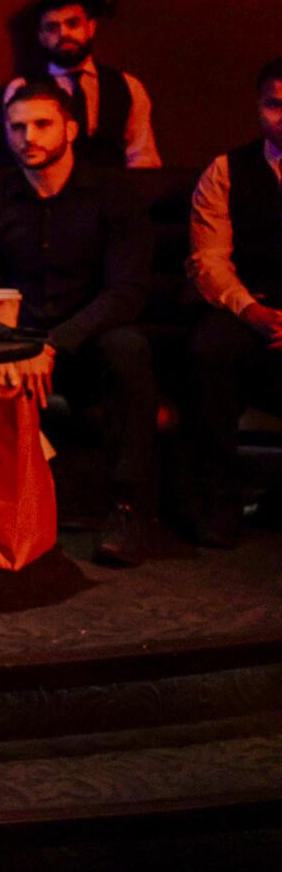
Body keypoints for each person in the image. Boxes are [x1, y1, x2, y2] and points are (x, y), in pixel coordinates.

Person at [0, 78, 157, 566]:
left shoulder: (113, 193)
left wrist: (53, 344)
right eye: (17, 127)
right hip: (18, 340)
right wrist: (8, 347)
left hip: (86, 339)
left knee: (127, 348)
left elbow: (126, 291)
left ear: (71, 129)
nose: (28, 136)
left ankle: (129, 507)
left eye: (42, 124)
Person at [182, 56, 282, 548]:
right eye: (274, 105)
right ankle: (216, 499)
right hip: (250, 307)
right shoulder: (225, 171)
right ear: (258, 107)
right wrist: (251, 311)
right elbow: (210, 260)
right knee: (209, 348)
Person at [0, 0, 160, 169]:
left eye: (73, 24)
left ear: (90, 27)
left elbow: (143, 156)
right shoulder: (21, 88)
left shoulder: (128, 86)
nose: (64, 34)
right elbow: (12, 160)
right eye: (52, 28)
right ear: (41, 37)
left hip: (112, 193)